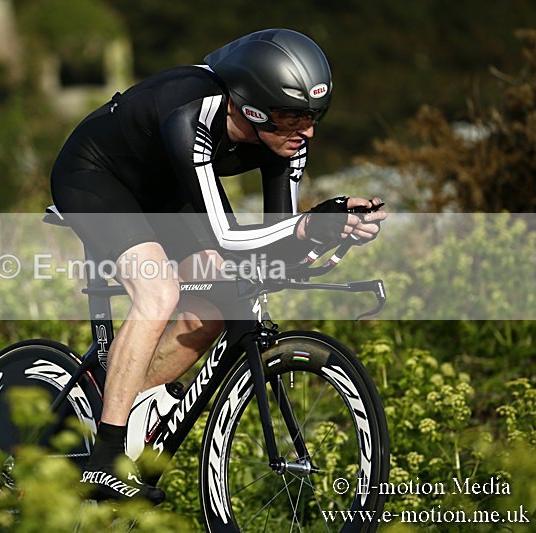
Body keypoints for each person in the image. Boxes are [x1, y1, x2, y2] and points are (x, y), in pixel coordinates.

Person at [50, 28, 386, 503]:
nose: (307, 130)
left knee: (225, 293)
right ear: (251, 108)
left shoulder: (286, 141)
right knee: (159, 291)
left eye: (314, 117)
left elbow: (277, 245)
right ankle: (103, 460)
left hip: (165, 190)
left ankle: (128, 401)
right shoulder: (192, 113)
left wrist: (332, 230)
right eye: (293, 116)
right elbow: (231, 237)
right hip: (95, 175)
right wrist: (308, 227)